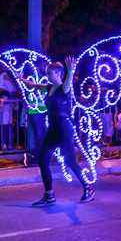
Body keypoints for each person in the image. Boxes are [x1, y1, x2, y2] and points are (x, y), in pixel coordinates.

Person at [24, 58, 93, 205]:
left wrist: (70, 69)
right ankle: (49, 195)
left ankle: (88, 188)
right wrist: (19, 77)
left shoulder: (64, 88)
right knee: (43, 161)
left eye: (50, 73)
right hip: (53, 128)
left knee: (70, 161)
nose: (47, 75)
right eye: (47, 73)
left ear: (58, 74)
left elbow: (68, 82)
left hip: (64, 127)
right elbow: (33, 85)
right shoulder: (49, 88)